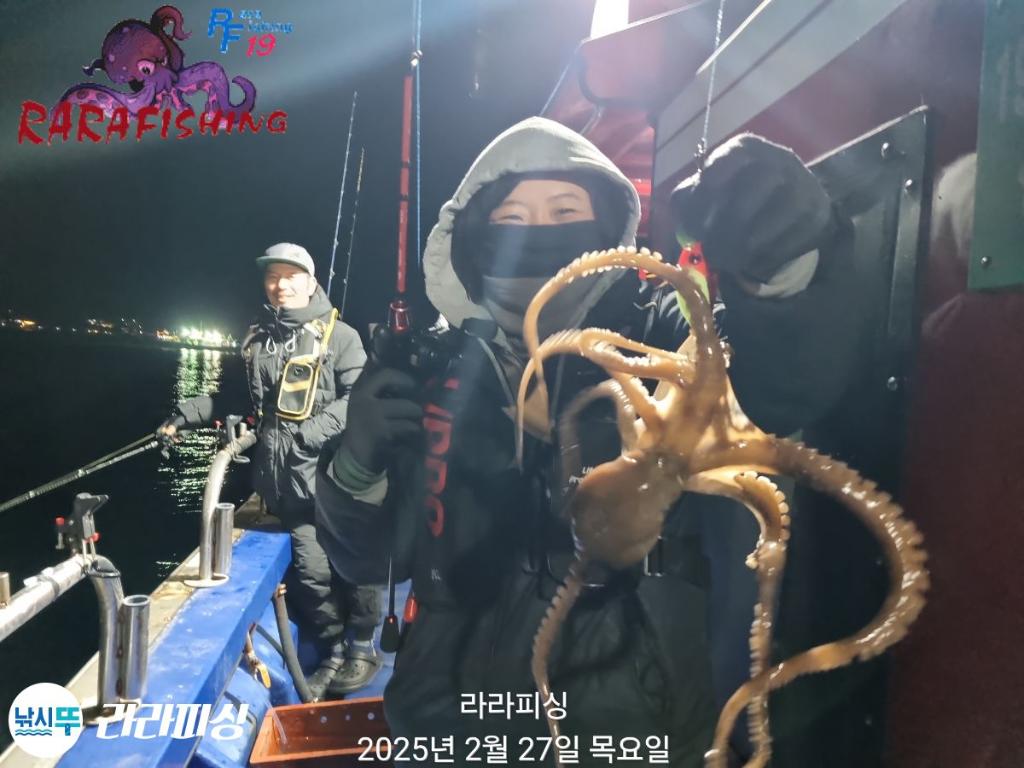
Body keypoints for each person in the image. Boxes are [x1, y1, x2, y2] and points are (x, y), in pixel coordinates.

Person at [314, 118, 862, 765]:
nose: (538, 231)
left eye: (564, 211)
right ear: (473, 239)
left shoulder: (662, 333)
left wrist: (785, 265)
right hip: (446, 728)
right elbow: (367, 561)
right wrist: (356, 466)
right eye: (512, 216)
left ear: (605, 229)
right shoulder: (435, 371)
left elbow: (780, 381)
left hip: (629, 730)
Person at [159, 243, 382, 699]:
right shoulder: (258, 339)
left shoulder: (342, 337)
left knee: (354, 567)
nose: (280, 285)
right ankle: (334, 648)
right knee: (311, 573)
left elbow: (362, 399)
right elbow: (235, 398)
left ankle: (362, 646)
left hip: (338, 483)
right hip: (288, 488)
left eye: (290, 276)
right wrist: (182, 415)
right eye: (272, 277)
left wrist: (312, 432)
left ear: (311, 282)